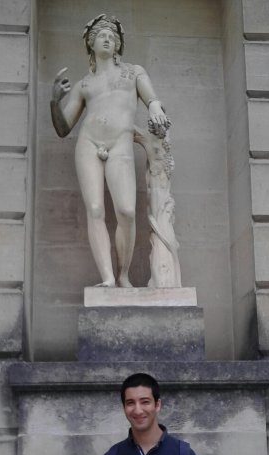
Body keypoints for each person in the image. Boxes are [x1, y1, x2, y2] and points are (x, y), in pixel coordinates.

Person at [50, 15, 170, 288]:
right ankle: (107, 279)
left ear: (118, 45)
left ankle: (123, 274)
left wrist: (154, 106)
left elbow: (152, 98)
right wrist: (54, 102)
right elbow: (63, 127)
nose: (107, 39)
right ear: (91, 44)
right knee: (94, 209)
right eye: (102, 35)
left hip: (120, 143)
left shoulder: (133, 72)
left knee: (126, 211)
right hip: (89, 143)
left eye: (112, 37)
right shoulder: (83, 85)